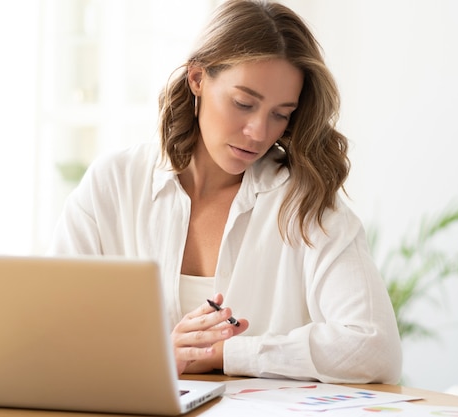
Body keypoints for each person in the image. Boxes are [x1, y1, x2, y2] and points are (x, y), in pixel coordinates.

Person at [49, 0, 402, 384]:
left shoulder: (307, 206)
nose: (259, 132)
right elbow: (53, 332)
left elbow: (374, 346)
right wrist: (159, 355)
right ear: (197, 78)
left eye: (281, 114)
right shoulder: (114, 184)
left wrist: (226, 353)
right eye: (243, 103)